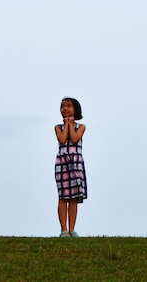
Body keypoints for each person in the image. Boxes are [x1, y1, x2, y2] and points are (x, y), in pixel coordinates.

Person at [54, 96, 87, 237]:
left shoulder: (81, 127)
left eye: (68, 106)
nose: (65, 108)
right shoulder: (57, 127)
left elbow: (74, 139)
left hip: (76, 162)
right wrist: (66, 125)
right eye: (63, 106)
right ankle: (63, 229)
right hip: (62, 162)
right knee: (63, 197)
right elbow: (62, 139)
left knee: (73, 198)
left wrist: (71, 124)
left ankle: (72, 229)